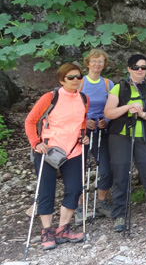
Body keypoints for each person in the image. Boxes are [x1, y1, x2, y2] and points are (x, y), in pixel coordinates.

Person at [25, 63, 89, 250]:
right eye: (71, 77)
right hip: (49, 151)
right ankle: (47, 231)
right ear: (62, 80)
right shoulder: (51, 97)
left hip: (73, 151)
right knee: (46, 191)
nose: (76, 80)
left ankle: (63, 228)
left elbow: (82, 121)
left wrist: (83, 135)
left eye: (78, 76)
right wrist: (36, 143)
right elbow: (30, 121)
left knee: (75, 189)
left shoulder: (84, 98)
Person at [104, 54, 146, 231]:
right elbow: (108, 113)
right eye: (136, 67)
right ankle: (120, 215)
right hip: (120, 136)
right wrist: (128, 108)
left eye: (143, 67)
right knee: (121, 174)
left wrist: (142, 114)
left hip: (145, 136)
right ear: (129, 68)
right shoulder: (118, 88)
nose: (140, 70)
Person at [75, 49, 114, 225]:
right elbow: (71, 107)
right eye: (94, 61)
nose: (97, 65)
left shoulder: (108, 84)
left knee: (106, 168)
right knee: (78, 169)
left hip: (101, 130)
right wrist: (85, 122)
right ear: (88, 63)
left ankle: (101, 202)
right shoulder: (80, 83)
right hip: (81, 131)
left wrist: (105, 120)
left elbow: (113, 106)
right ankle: (78, 205)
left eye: (101, 61)